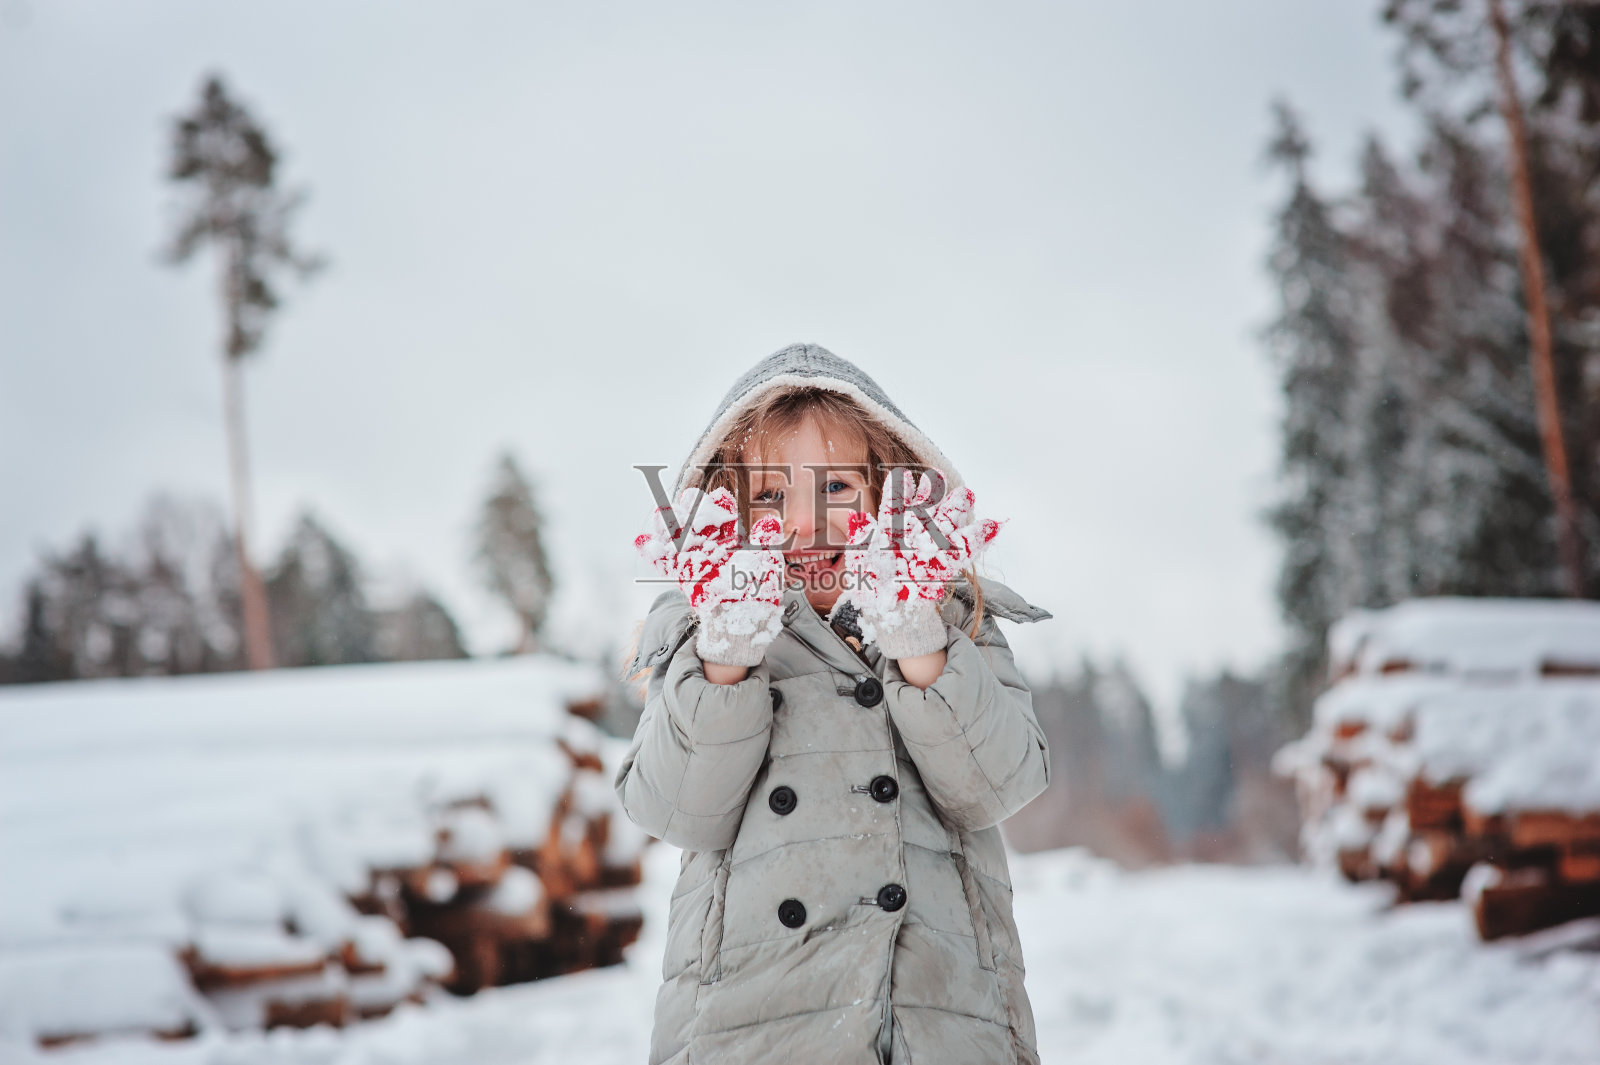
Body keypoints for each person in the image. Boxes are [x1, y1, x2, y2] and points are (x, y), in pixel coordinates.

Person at [615, 343, 1052, 1065]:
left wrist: (917, 639)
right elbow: (678, 807)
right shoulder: (699, 636)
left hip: (933, 1020)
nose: (805, 522)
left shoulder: (955, 623)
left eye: (839, 488)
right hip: (748, 1022)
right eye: (773, 496)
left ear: (891, 492)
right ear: (730, 509)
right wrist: (727, 657)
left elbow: (998, 784)